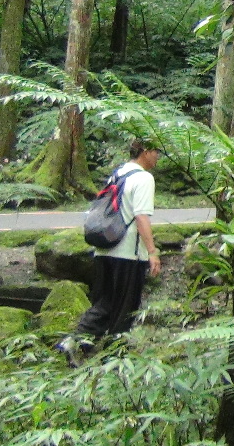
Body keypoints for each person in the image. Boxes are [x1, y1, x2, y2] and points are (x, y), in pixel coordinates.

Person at [58, 138, 162, 365]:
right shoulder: (144, 178)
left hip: (104, 250)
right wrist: (152, 251)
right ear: (144, 152)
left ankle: (83, 344)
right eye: (156, 151)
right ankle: (113, 356)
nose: (158, 156)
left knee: (104, 302)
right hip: (128, 255)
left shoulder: (119, 173)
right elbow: (141, 216)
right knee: (124, 307)